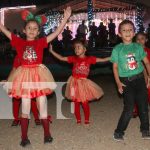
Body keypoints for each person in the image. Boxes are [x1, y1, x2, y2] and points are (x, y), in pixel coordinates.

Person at [1, 7, 71, 147]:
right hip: (25, 77)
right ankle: (24, 137)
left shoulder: (41, 42)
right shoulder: (19, 42)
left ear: (38, 32)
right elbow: (4, 30)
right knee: (25, 106)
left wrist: (65, 19)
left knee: (42, 105)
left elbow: (56, 32)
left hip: (39, 77)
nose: (32, 30)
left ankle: (47, 134)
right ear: (24, 30)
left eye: (35, 28)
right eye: (29, 27)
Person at [49, 40, 109, 124]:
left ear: (85, 49)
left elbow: (102, 60)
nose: (76, 49)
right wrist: (52, 51)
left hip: (84, 83)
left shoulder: (89, 59)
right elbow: (61, 58)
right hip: (74, 83)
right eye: (75, 48)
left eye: (79, 47)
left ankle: (87, 119)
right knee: (76, 102)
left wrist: (113, 57)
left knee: (84, 102)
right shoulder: (73, 58)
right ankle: (78, 119)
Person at [111, 20, 150, 141]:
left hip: (140, 80)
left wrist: (149, 76)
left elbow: (147, 63)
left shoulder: (138, 47)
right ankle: (119, 131)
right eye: (124, 30)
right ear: (119, 34)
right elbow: (115, 67)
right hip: (126, 82)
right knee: (129, 108)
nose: (127, 32)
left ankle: (145, 129)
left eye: (130, 30)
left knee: (143, 107)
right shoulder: (117, 49)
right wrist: (118, 83)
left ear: (133, 33)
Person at [11, 55, 41, 126]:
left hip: (29, 80)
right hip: (19, 80)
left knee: (32, 99)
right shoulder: (18, 56)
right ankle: (16, 119)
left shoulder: (32, 54)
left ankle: (36, 118)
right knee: (16, 99)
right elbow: (14, 69)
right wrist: (9, 79)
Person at [133, 32, 150, 117]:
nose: (140, 41)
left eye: (142, 39)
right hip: (138, 76)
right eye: (137, 39)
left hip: (148, 75)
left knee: (149, 92)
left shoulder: (148, 51)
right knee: (137, 93)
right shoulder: (134, 52)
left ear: (146, 40)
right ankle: (136, 109)